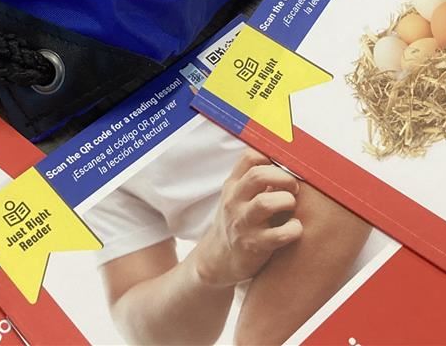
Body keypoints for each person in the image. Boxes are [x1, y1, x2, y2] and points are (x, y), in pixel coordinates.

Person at [88, 119, 374, 346]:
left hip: (389, 240)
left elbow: (358, 144)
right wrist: (209, 267)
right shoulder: (69, 140)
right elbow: (147, 329)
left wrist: (260, 337)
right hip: (296, 323)